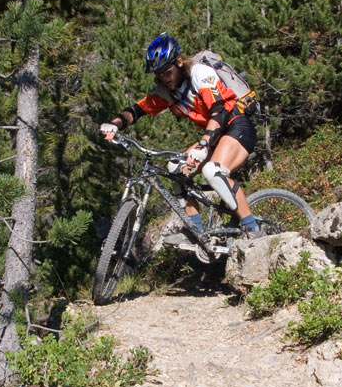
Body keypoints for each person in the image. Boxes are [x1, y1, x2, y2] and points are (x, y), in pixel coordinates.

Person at [100, 32, 261, 241]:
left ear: (179, 62)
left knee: (214, 171)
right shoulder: (169, 90)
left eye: (166, 72)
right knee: (176, 171)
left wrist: (203, 145)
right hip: (217, 134)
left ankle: (254, 229)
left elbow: (219, 111)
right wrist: (114, 125)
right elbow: (137, 110)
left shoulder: (200, 73)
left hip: (236, 125)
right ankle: (195, 233)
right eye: (158, 75)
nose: (163, 79)